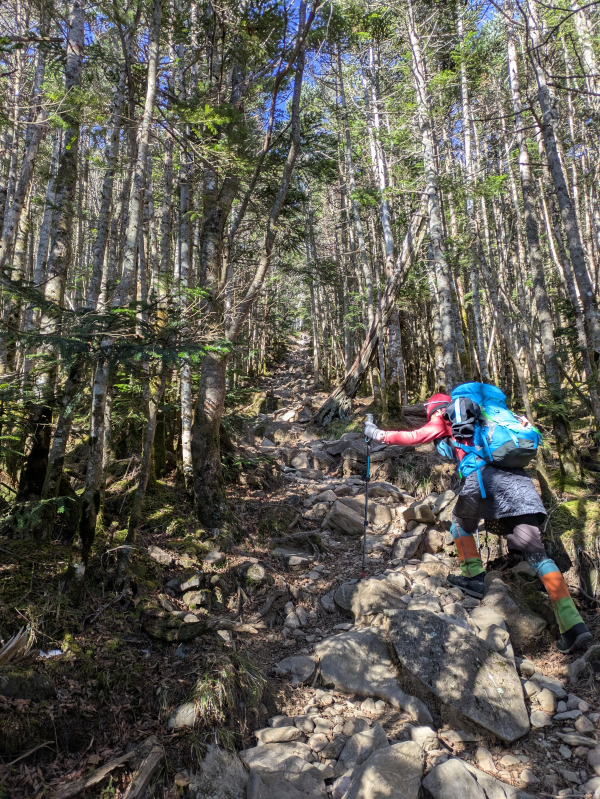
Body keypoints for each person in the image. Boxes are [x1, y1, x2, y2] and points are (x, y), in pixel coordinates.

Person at [364, 393, 592, 654]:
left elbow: (414, 437)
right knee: (537, 554)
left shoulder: (445, 416)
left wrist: (377, 434)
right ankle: (574, 626)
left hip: (484, 482)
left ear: (435, 408)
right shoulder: (487, 419)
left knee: (459, 525)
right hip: (520, 484)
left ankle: (473, 576)